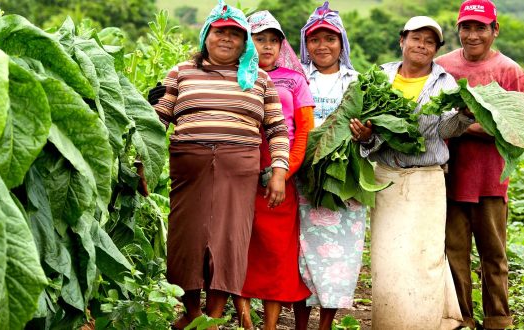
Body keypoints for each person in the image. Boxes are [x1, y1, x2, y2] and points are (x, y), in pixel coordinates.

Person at [150, 1, 290, 329]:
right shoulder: (181, 72)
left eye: (235, 34)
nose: (226, 38)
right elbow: (157, 120)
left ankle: (212, 317)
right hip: (189, 167)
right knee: (187, 240)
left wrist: (279, 172)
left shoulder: (260, 80)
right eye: (219, 31)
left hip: (239, 167)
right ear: (206, 36)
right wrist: (143, 163)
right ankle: (192, 313)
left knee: (229, 240)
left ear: (244, 43)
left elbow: (277, 128)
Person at [351, 16, 471, 329]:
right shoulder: (380, 76)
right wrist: (366, 137)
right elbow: (368, 122)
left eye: (429, 42)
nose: (421, 45)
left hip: (427, 181)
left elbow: (445, 128)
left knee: (424, 257)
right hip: (387, 177)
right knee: (388, 258)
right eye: (416, 38)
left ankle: (424, 322)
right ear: (402, 40)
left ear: (436, 49)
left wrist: (465, 117)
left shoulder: (444, 83)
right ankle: (390, 322)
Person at [435, 1, 524, 329]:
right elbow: (430, 117)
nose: (472, 35)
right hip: (450, 178)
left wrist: (463, 125)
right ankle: (461, 319)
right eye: (466, 28)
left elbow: (518, 131)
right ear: (458, 29)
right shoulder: (442, 67)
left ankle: (498, 320)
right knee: (454, 254)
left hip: (491, 179)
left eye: (480, 28)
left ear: (495, 30)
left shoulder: (510, 71)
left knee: (493, 256)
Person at [235, 10, 315, 330]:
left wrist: (283, 172)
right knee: (239, 248)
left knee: (277, 253)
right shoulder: (235, 76)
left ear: (281, 45)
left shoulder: (294, 80)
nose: (267, 46)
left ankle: (268, 326)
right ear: (248, 42)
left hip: (282, 173)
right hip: (239, 168)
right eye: (259, 39)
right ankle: (246, 324)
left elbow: (305, 130)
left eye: (273, 40)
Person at [294, 2, 365, 329]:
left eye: (330, 39)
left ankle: (325, 325)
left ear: (342, 43)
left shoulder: (358, 82)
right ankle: (299, 324)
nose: (322, 46)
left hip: (343, 184)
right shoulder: (296, 79)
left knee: (339, 257)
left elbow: (372, 137)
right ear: (305, 44)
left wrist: (364, 136)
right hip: (304, 181)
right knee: (301, 256)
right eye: (314, 39)